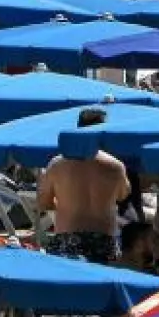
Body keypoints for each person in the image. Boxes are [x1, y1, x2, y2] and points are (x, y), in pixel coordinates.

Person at [37, 107, 130, 264]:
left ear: (78, 129)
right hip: (104, 239)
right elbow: (122, 195)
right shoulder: (116, 166)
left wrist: (67, 202)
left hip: (68, 236)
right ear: (104, 131)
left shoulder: (57, 164)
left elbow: (43, 202)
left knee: (68, 286)